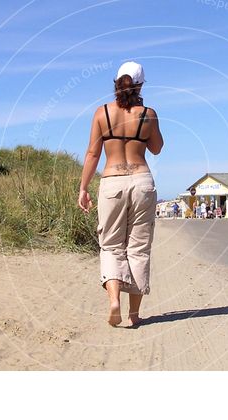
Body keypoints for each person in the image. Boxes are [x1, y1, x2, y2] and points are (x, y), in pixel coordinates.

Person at [78, 61, 164, 327]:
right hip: (141, 181)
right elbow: (157, 148)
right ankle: (134, 314)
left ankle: (114, 299)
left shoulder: (102, 113)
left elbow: (93, 153)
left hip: (113, 181)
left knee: (111, 245)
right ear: (140, 85)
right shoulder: (148, 114)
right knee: (138, 248)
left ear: (117, 82)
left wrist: (83, 188)